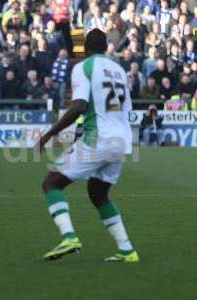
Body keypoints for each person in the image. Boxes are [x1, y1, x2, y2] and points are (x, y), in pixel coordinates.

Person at [37, 29, 139, 263]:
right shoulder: (119, 70)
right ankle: (127, 250)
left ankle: (69, 237)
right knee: (98, 192)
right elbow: (127, 110)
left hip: (99, 138)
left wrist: (51, 133)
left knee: (51, 183)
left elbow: (79, 105)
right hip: (121, 141)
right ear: (106, 47)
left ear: (85, 48)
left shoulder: (83, 67)